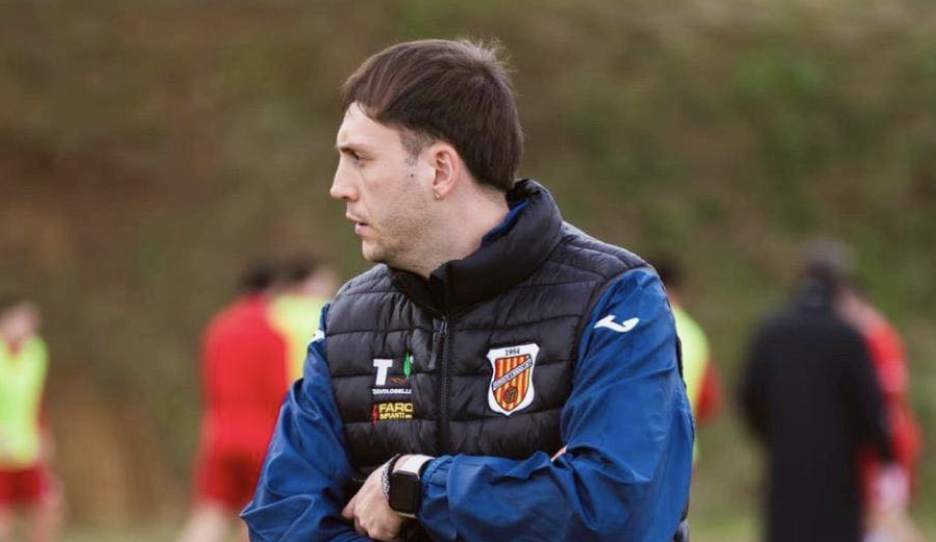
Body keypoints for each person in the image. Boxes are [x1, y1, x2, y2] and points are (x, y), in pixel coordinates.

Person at [242, 39, 693, 542]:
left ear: (440, 170)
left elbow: (616, 511)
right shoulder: (348, 320)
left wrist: (417, 485)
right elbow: (283, 520)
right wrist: (531, 496)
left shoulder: (614, 299)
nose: (339, 186)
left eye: (359, 158)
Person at [738, 254, 895, 542]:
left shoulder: (771, 333)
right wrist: (884, 453)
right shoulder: (848, 337)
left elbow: (749, 395)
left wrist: (773, 434)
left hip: (785, 468)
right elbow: (870, 406)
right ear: (838, 287)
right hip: (839, 474)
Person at [175, 263, 289, 542]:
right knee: (255, 516)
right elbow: (279, 391)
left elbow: (208, 385)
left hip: (221, 434)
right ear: (273, 291)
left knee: (209, 514)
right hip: (261, 437)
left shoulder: (218, 328)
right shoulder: (273, 334)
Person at [838, 285, 923, 542]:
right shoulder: (864, 338)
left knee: (886, 518)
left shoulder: (876, 338)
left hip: (888, 445)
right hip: (876, 446)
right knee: (878, 519)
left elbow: (886, 397)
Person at [0, 297, 61, 542]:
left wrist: (43, 434)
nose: (31, 325)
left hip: (27, 448)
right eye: (24, 318)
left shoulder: (36, 352)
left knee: (49, 506)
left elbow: (36, 398)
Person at [654, 256, 721, 463]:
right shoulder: (694, 334)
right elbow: (708, 401)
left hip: (638, 456)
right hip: (683, 453)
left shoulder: (631, 327)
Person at [268, 256, 340, 382]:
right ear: (305, 282)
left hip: (283, 383)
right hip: (315, 382)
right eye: (322, 281)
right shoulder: (327, 310)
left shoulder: (274, 308)